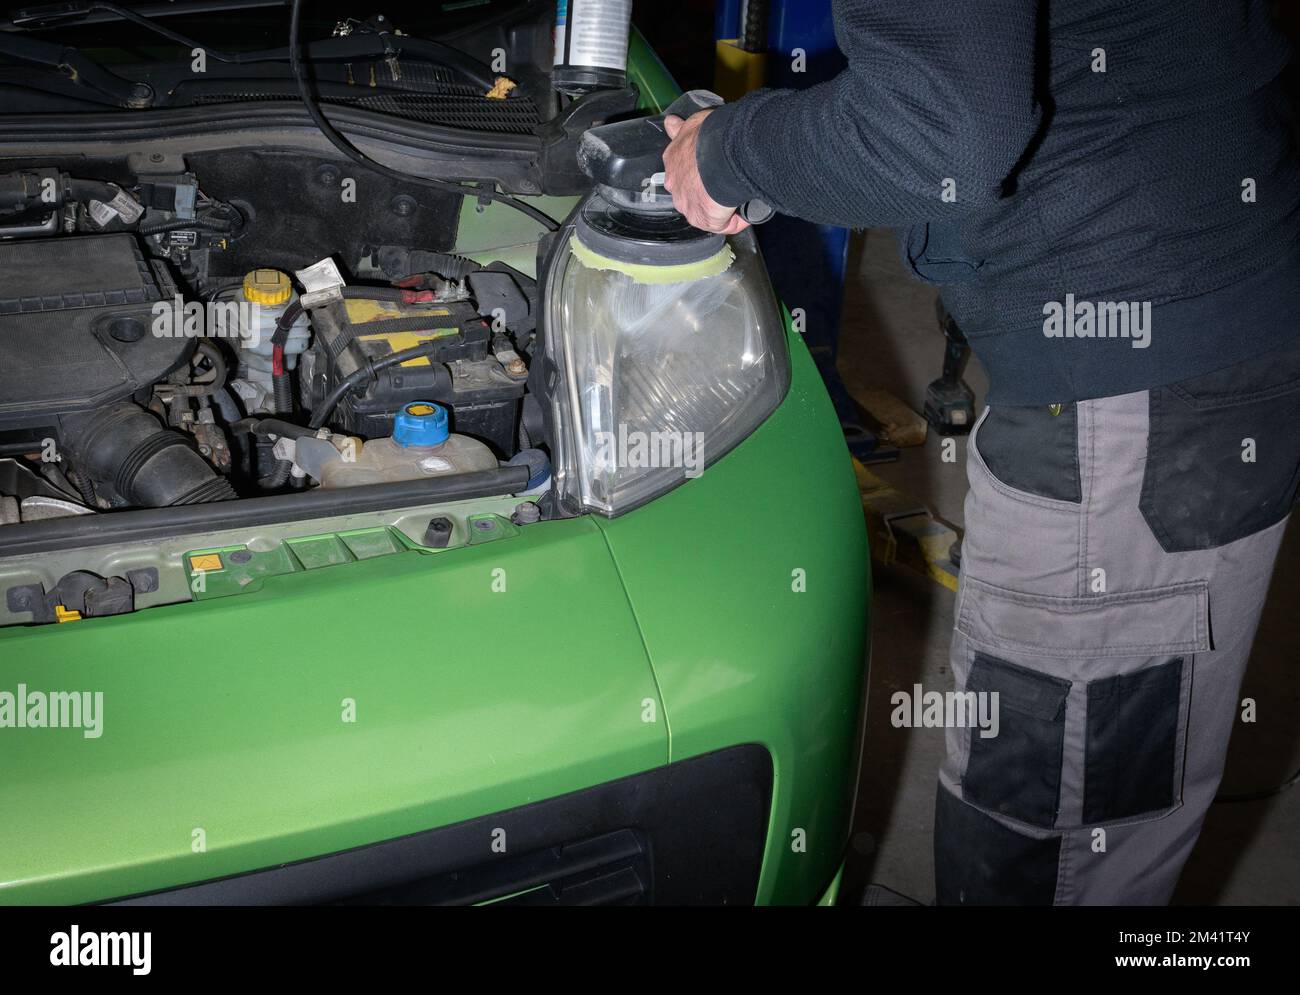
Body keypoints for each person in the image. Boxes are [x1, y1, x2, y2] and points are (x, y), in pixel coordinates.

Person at [661, 0, 1300, 905]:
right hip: (1197, 296)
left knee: (1044, 848)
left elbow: (941, 134)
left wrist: (729, 153)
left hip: (1142, 377)